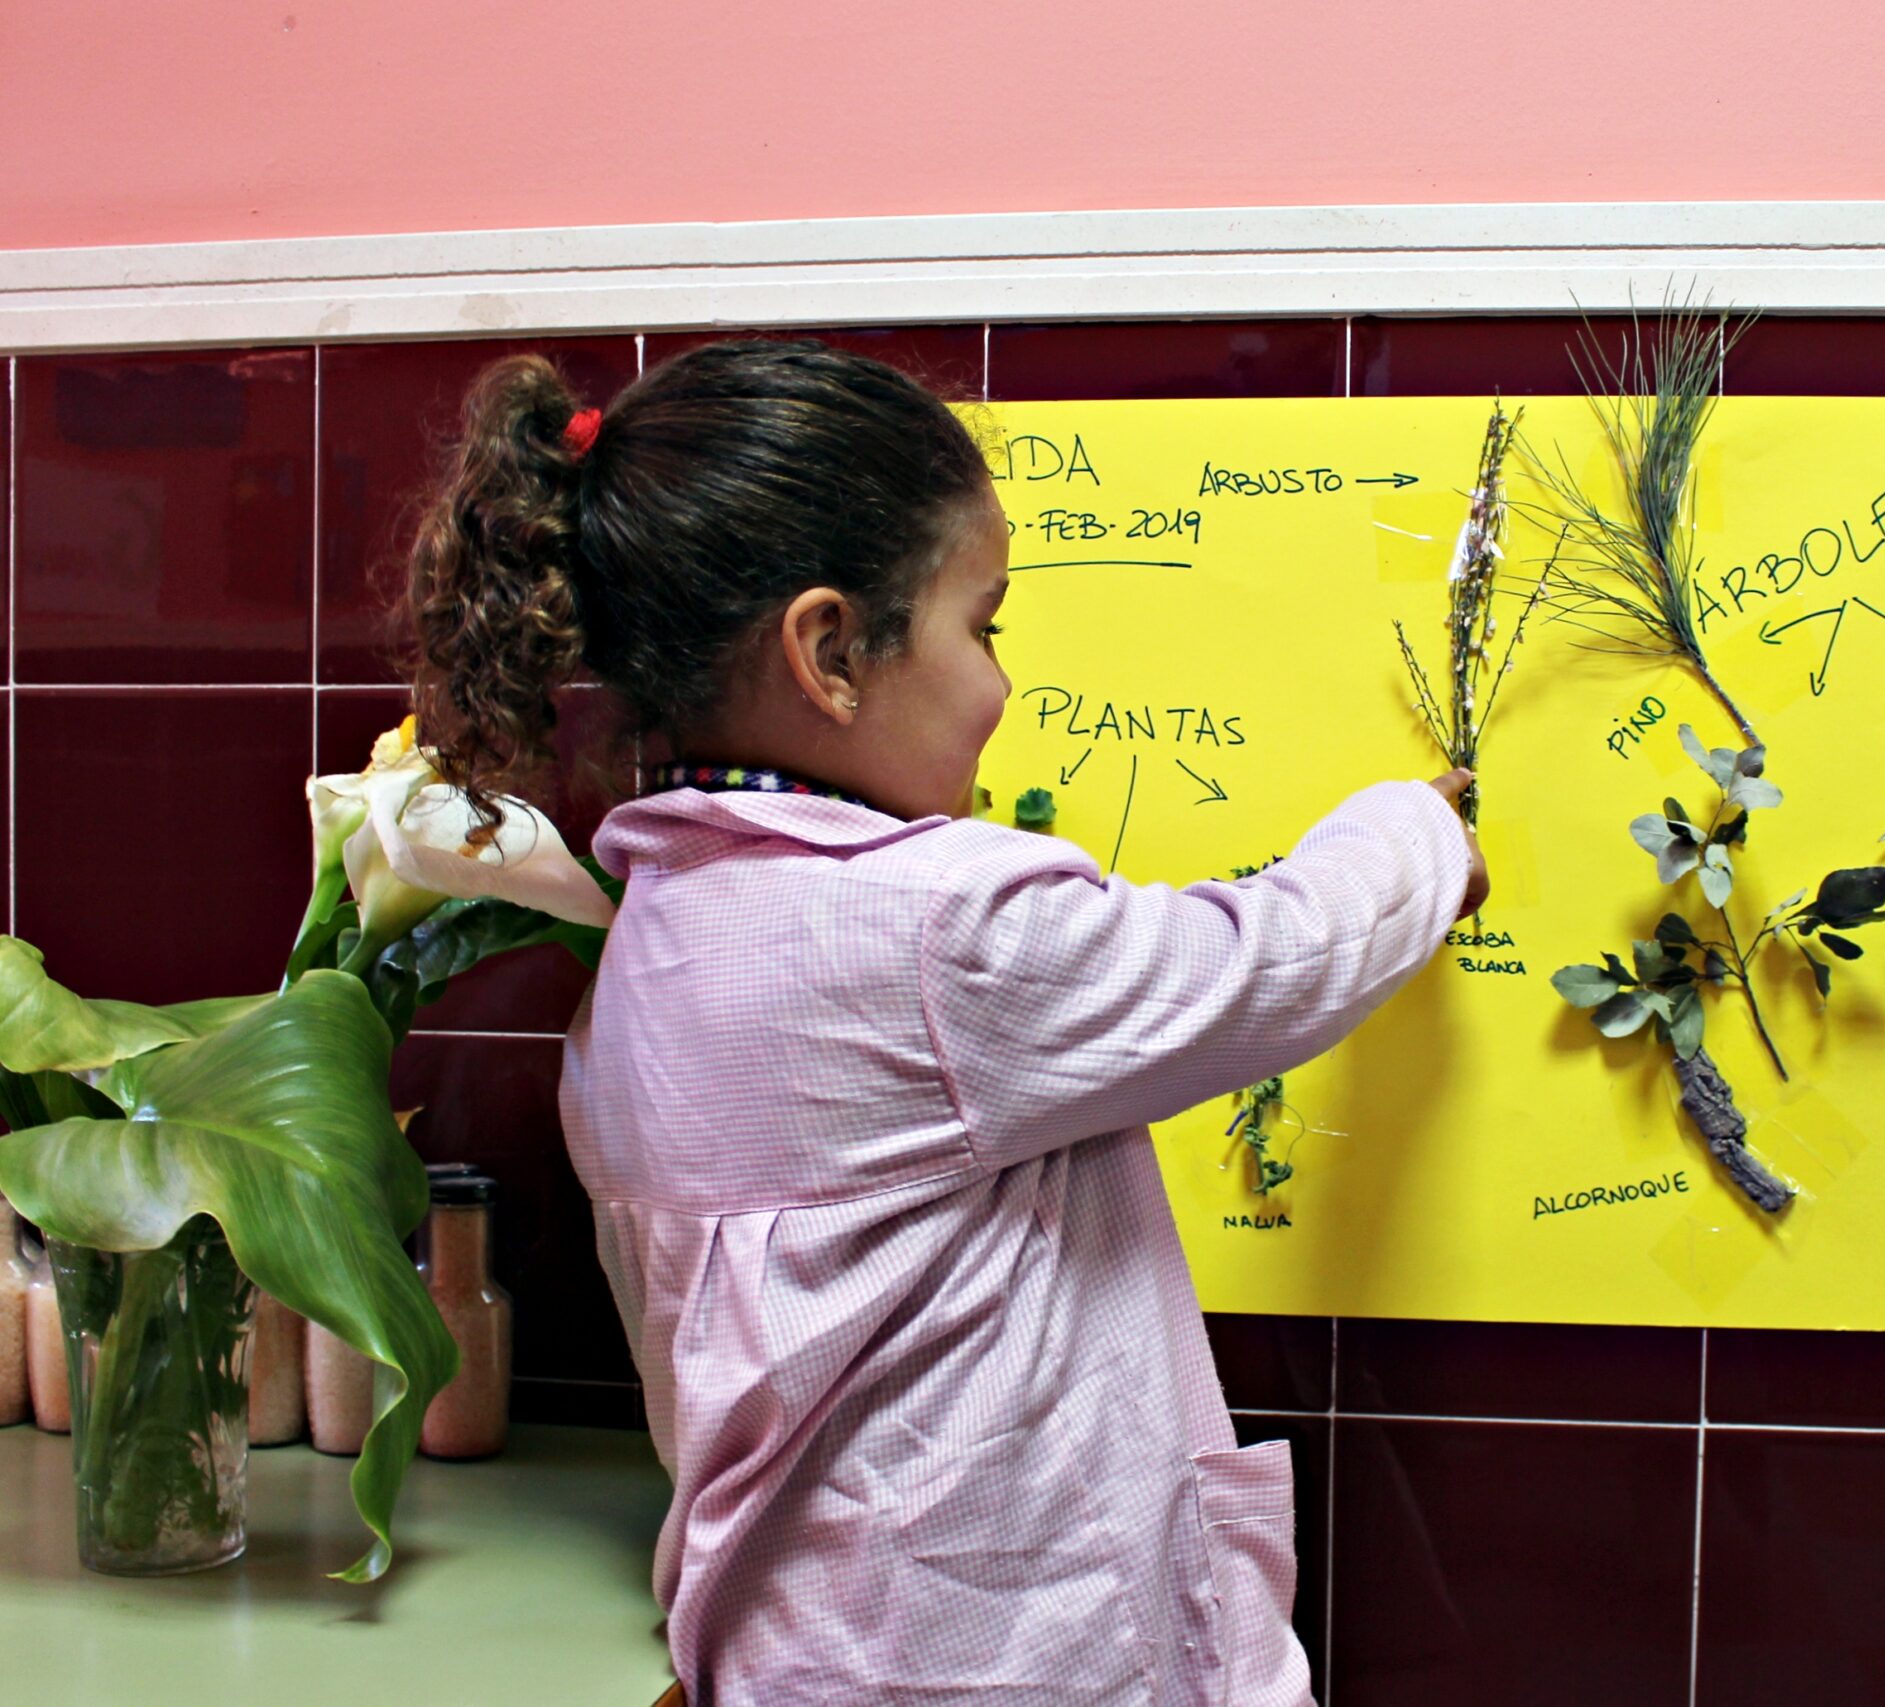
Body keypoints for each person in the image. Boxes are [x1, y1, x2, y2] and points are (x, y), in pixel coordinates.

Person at [399, 338, 1488, 1705]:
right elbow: (1258, 962)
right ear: (832, 652)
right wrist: (1413, 837)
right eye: (985, 627)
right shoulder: (929, 938)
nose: (1002, 686)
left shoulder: (640, 962)